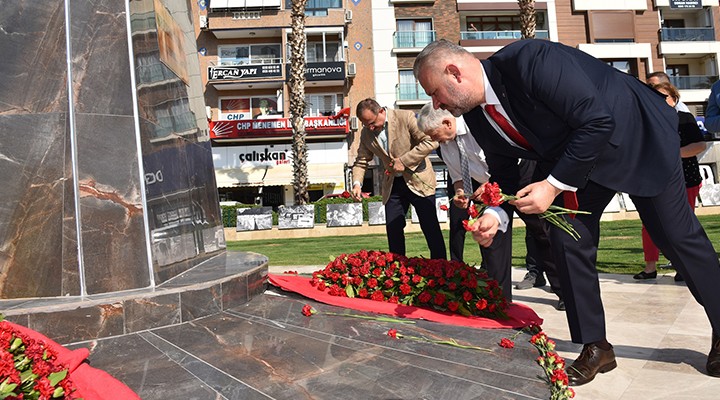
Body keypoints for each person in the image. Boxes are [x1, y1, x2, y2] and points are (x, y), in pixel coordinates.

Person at [413, 38, 720, 385]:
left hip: (636, 139)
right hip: (580, 163)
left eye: (434, 92)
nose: (435, 103)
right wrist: (495, 215)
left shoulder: (531, 60)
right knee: (567, 238)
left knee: (676, 238)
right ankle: (597, 347)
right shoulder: (476, 114)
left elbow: (597, 121)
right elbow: (503, 171)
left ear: (454, 73)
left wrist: (552, 185)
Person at [417, 104, 563, 305]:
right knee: (491, 238)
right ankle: (499, 301)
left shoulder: (479, 124)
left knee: (543, 233)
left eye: (433, 134)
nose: (434, 140)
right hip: (491, 189)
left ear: (447, 122)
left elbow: (506, 161)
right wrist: (461, 193)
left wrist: (490, 185)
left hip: (521, 176)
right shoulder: (445, 145)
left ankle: (564, 291)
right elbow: (458, 177)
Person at [351, 98, 446, 260]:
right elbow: (361, 160)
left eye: (372, 122)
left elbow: (430, 142)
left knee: (430, 227)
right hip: (393, 184)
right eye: (366, 124)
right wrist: (357, 183)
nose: (370, 127)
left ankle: (441, 267)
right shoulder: (366, 133)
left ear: (381, 111)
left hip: (419, 179)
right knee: (393, 228)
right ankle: (397, 271)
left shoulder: (406, 117)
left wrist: (404, 161)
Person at [633, 82, 707, 282]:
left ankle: (683, 267)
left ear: (674, 99)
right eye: (655, 96)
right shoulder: (644, 120)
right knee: (649, 224)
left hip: (685, 179)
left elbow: (700, 145)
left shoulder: (684, 119)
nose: (661, 100)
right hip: (654, 180)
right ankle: (650, 267)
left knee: (683, 226)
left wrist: (673, 154)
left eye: (665, 96)